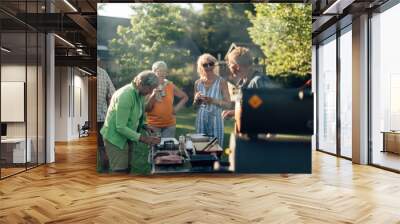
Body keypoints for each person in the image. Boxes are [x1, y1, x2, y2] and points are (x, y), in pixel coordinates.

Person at [100, 70, 161, 172]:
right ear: (141, 84)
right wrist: (144, 139)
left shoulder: (139, 93)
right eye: (150, 89)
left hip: (127, 136)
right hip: (115, 138)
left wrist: (144, 125)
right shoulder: (126, 95)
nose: (151, 92)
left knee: (127, 169)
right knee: (120, 172)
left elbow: (134, 114)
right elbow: (120, 127)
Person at [222, 47, 272, 119]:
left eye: (230, 64)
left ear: (237, 67)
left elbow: (265, 109)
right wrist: (234, 113)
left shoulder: (258, 81)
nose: (229, 67)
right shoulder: (242, 82)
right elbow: (252, 107)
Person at [194, 53, 231, 147]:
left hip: (216, 119)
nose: (209, 66)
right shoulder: (198, 83)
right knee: (200, 148)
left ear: (214, 65)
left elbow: (228, 104)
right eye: (205, 65)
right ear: (200, 67)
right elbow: (195, 107)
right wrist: (196, 100)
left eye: (211, 64)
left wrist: (213, 100)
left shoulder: (221, 82)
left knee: (215, 149)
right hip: (201, 119)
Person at [145, 61, 188, 138]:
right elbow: (147, 108)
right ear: (153, 73)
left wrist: (175, 110)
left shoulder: (170, 85)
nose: (162, 73)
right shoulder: (149, 86)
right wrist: (153, 95)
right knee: (155, 149)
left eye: (164, 71)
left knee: (168, 148)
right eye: (159, 71)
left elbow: (185, 97)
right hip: (153, 125)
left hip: (169, 125)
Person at [97, 58, 115, 171]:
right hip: (101, 117)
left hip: (93, 117)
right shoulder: (103, 73)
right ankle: (105, 170)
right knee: (102, 146)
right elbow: (113, 95)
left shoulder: (103, 73)